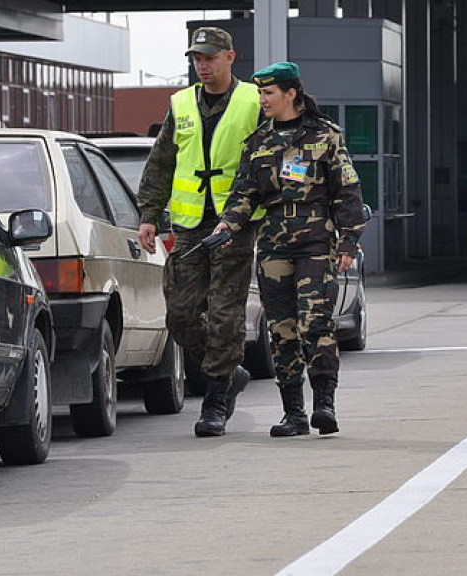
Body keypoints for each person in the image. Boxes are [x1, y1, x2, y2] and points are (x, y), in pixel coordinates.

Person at [213, 61, 366, 437]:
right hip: (273, 244)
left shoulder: (325, 135)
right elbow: (243, 194)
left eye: (269, 93)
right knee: (281, 329)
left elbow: (347, 191)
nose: (262, 100)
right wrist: (227, 224)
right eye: (261, 93)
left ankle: (325, 405)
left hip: (315, 240)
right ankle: (293, 413)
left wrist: (348, 240)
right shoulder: (259, 142)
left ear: (290, 94)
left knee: (315, 322)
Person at [136, 27, 264, 437]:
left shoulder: (252, 101)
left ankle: (215, 400)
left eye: (209, 57)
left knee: (226, 313)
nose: (202, 65)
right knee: (180, 314)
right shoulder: (181, 104)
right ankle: (230, 370)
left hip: (235, 222)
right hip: (190, 225)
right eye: (196, 58)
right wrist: (150, 214)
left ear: (230, 57)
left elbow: (270, 159)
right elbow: (161, 162)